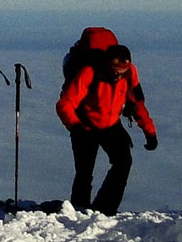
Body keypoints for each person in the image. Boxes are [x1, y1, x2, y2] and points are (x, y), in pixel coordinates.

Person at [55, 27, 158, 214]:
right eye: (115, 72)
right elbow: (64, 104)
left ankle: (105, 210)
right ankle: (79, 211)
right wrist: (75, 126)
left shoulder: (130, 73)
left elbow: (137, 103)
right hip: (85, 124)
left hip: (110, 123)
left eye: (122, 72)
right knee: (84, 171)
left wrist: (149, 131)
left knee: (123, 162)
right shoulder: (89, 72)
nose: (118, 76)